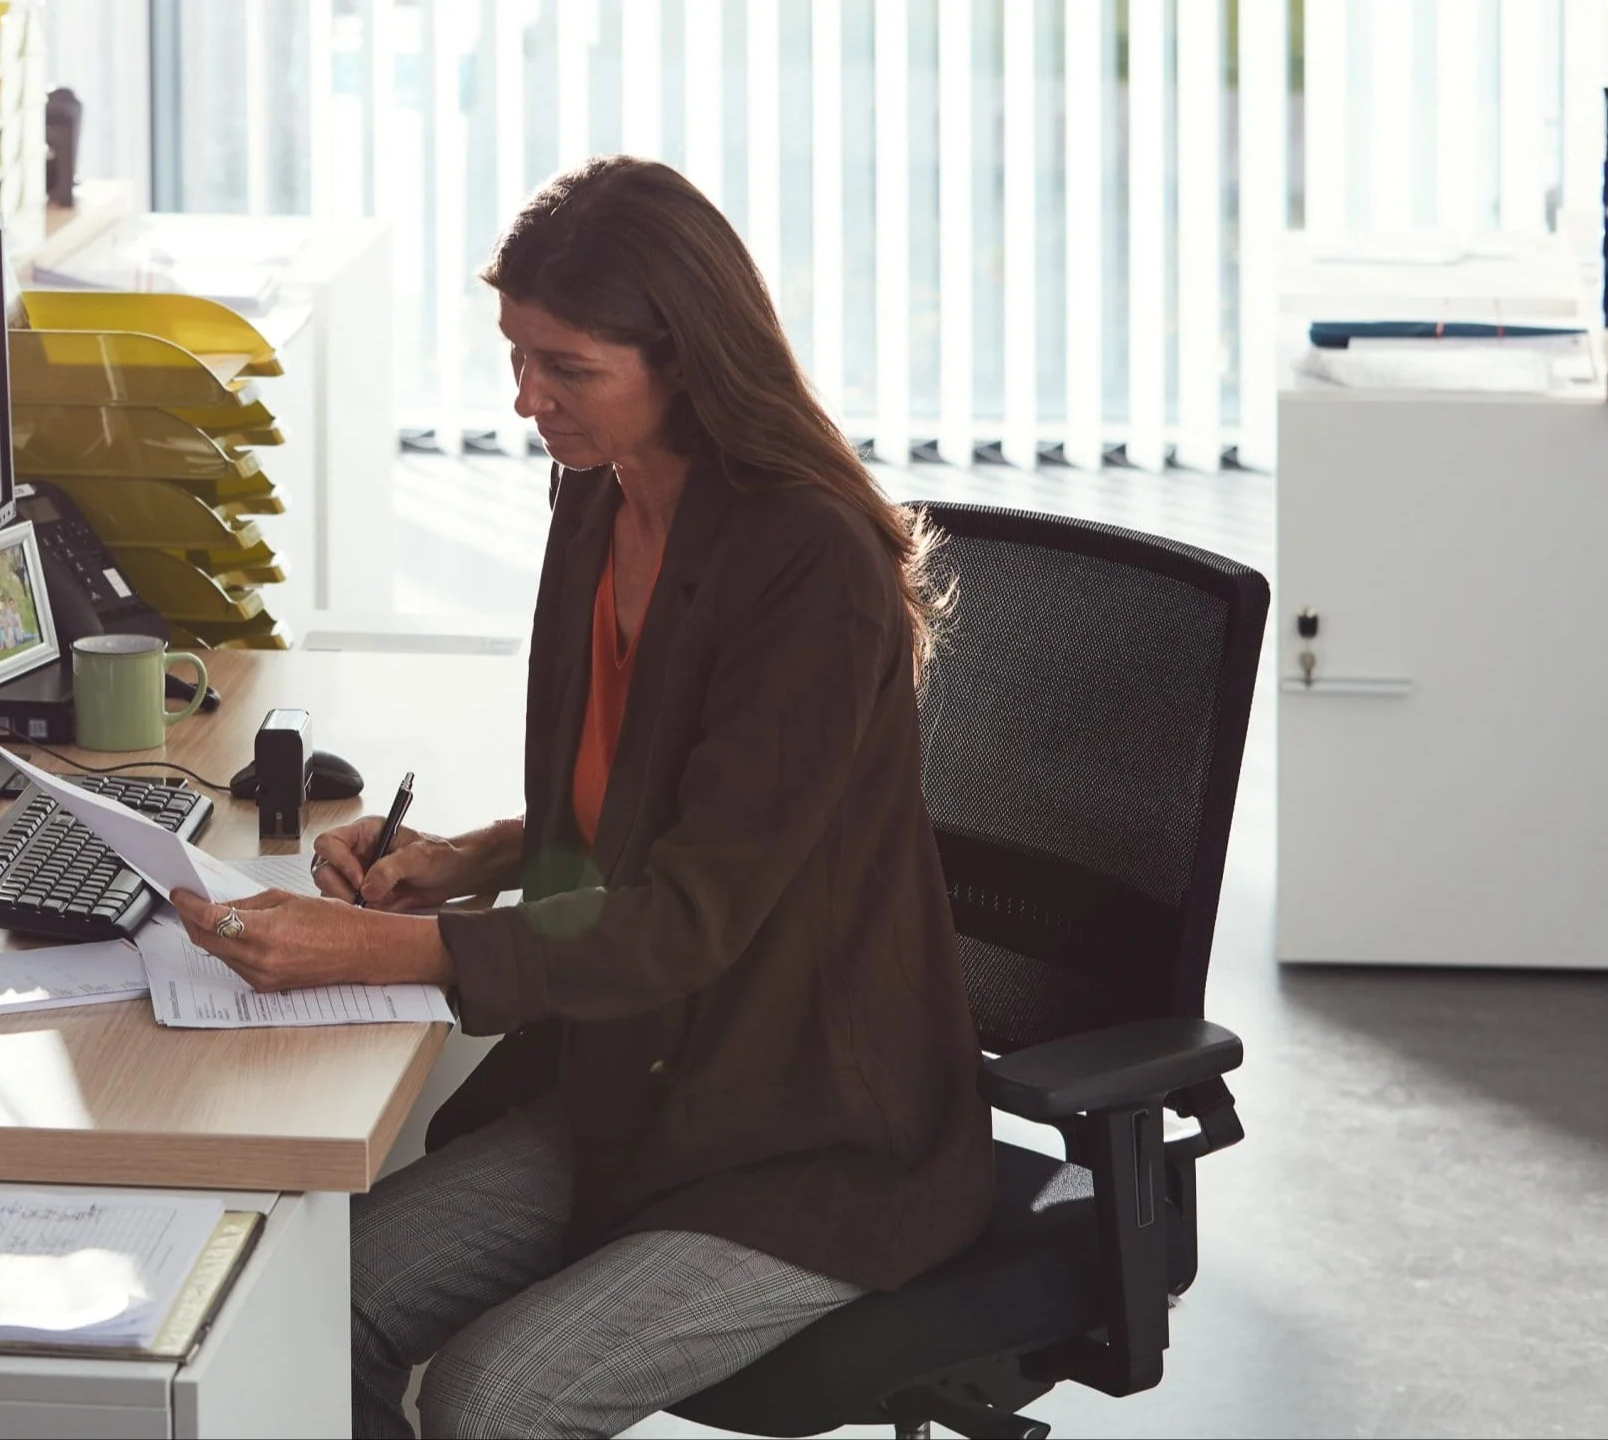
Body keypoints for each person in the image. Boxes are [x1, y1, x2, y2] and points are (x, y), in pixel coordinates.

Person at [169, 156, 993, 1439]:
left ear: (687, 359)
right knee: (297, 1308)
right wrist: (475, 857)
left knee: (494, 1401)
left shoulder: (807, 566)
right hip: (635, 1080)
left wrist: (388, 945)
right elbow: (645, 802)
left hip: (804, 1130)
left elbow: (686, 913)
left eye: (567, 368)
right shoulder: (599, 497)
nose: (524, 399)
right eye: (515, 354)